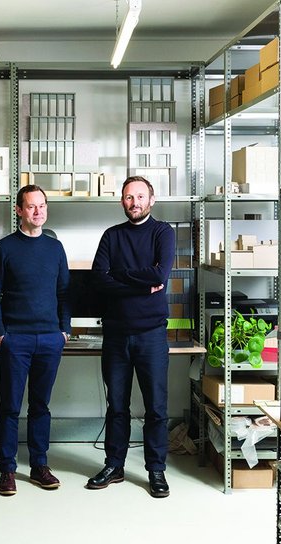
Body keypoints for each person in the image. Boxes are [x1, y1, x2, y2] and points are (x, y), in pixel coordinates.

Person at [86, 175, 175, 498]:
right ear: (121, 201)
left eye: (140, 196)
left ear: (151, 200)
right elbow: (99, 279)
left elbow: (159, 274)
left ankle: (156, 470)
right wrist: (138, 281)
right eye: (128, 197)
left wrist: (119, 277)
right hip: (116, 334)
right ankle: (114, 465)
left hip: (151, 334)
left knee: (156, 407)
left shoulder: (162, 232)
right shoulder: (112, 236)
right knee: (116, 405)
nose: (134, 202)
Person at [0, 184, 71, 496]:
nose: (39, 212)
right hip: (15, 340)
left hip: (50, 339)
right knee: (9, 406)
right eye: (32, 206)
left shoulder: (55, 248)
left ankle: (39, 466)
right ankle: (7, 470)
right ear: (19, 210)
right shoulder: (3, 249)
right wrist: (0, 335)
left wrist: (65, 331)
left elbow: (64, 294)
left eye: (43, 206)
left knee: (40, 405)